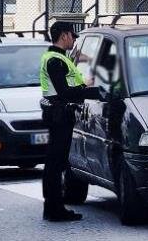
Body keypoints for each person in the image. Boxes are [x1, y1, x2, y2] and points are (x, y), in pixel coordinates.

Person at [39, 21, 101, 222]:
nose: (74, 40)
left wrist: (84, 85)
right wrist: (95, 91)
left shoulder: (58, 58)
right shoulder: (55, 60)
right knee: (55, 164)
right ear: (64, 35)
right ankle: (54, 209)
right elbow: (65, 93)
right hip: (59, 115)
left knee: (55, 163)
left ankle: (53, 208)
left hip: (59, 114)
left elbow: (68, 86)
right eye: (72, 36)